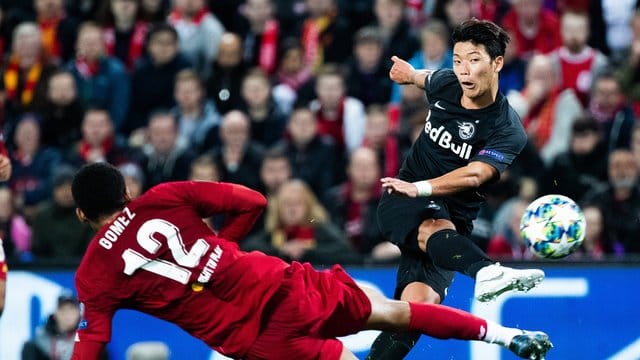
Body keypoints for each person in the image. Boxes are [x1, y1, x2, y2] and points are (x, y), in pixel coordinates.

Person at [69, 162, 552, 360]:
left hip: (257, 338)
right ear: (127, 192)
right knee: (393, 311)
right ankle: (507, 336)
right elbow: (254, 202)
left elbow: (93, 343)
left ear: (81, 214)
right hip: (280, 283)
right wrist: (227, 246)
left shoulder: (93, 274)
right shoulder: (165, 196)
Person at [367, 19, 546, 359]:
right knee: (435, 224)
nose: (464, 70)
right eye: (457, 59)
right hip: (402, 198)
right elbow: (423, 78)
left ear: (497, 63)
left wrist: (422, 188)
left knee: (415, 312)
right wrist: (407, 73)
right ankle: (487, 272)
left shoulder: (508, 130)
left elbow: (474, 175)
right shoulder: (447, 83)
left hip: (449, 224)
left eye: (474, 59)